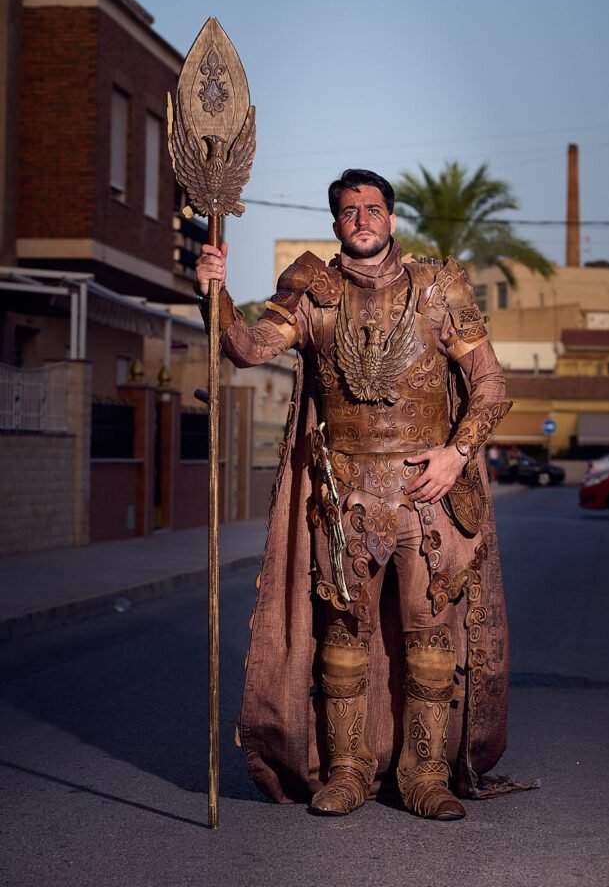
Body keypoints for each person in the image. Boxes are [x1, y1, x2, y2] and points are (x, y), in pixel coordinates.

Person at [195, 168, 527, 821]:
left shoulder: (438, 287)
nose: (362, 220)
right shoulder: (309, 288)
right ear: (336, 222)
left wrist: (454, 453)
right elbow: (246, 349)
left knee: (429, 638)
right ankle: (346, 771)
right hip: (341, 501)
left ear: (392, 219)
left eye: (373, 209)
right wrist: (215, 290)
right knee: (342, 634)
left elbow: (490, 384)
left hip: (424, 503)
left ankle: (425, 775)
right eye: (349, 211)